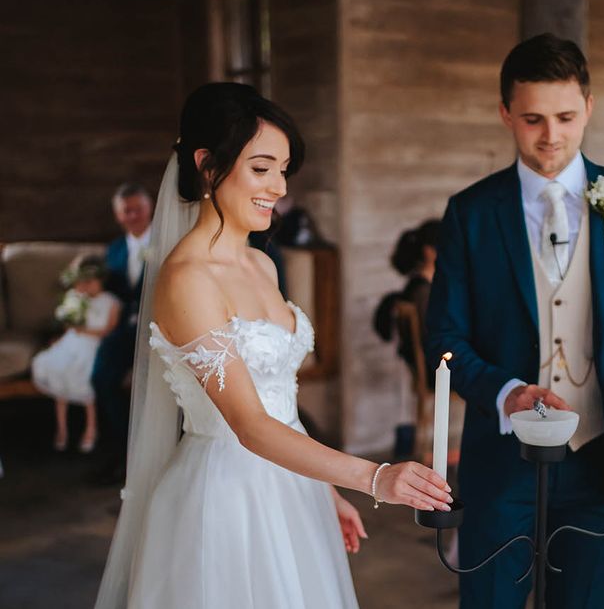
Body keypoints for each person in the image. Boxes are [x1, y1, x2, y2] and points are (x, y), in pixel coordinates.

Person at [94, 83, 451, 609]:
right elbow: (249, 423)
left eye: (283, 170)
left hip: (292, 486)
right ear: (208, 166)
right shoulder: (187, 280)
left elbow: (277, 401)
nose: (279, 187)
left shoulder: (261, 263)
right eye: (262, 168)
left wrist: (322, 488)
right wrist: (374, 477)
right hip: (225, 498)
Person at [426, 33, 604, 609]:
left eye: (566, 116)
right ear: (505, 114)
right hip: (502, 465)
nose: (551, 135)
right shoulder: (470, 213)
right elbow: (445, 339)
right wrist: (505, 392)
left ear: (589, 108)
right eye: (532, 118)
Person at [90, 183, 153, 479]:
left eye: (137, 208)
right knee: (101, 377)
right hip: (123, 330)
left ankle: (150, 456)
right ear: (118, 216)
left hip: (158, 329)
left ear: (149, 208)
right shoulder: (113, 250)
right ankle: (121, 452)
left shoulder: (167, 241)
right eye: (126, 210)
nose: (133, 215)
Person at [32, 255, 120, 453]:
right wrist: (69, 328)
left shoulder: (111, 302)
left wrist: (84, 331)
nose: (87, 286)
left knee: (82, 375)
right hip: (72, 342)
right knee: (58, 371)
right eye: (83, 281)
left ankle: (91, 428)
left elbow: (108, 330)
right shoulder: (76, 298)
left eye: (91, 281)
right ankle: (62, 429)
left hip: (93, 344)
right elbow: (68, 323)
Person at [374, 219, 441, 371]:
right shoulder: (422, 292)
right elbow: (433, 339)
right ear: (429, 252)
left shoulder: (419, 288)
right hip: (438, 371)